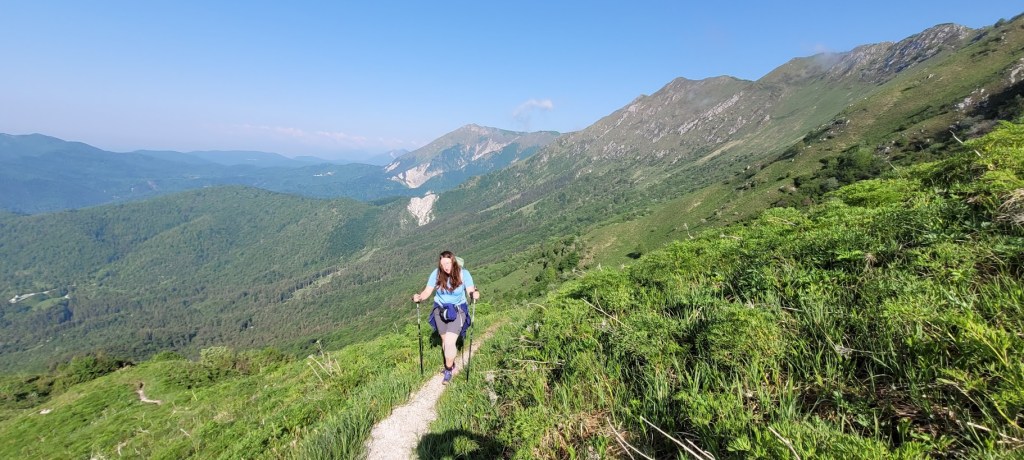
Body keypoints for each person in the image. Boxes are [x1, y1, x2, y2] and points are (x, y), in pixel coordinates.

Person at [413, 250, 479, 384]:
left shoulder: (464, 274)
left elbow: (470, 290)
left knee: (449, 342)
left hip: (458, 310)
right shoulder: (436, 274)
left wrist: (474, 294)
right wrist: (419, 297)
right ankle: (452, 365)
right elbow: (427, 291)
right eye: (443, 264)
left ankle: (448, 370)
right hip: (440, 310)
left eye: (448, 263)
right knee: (445, 341)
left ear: (453, 261)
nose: (446, 267)